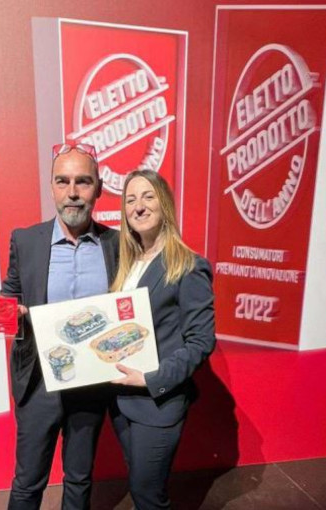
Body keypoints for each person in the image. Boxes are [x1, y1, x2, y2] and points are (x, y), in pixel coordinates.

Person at [0, 143, 118, 510]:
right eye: (62, 181)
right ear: (52, 187)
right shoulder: (26, 240)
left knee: (79, 478)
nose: (72, 192)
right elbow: (11, 299)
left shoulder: (117, 244)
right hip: (39, 380)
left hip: (91, 382)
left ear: (98, 189)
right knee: (28, 482)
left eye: (82, 182)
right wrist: (0, 310)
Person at [109, 169, 216, 510]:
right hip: (121, 399)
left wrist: (152, 378)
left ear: (164, 204)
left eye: (147, 196)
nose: (138, 206)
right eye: (130, 200)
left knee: (147, 495)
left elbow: (201, 341)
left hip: (158, 402)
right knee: (141, 487)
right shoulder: (125, 265)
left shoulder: (188, 265)